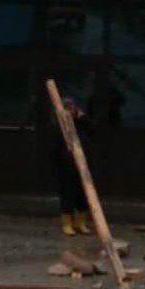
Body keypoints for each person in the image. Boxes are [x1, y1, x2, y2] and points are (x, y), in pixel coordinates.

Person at [56, 97, 92, 236]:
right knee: (68, 194)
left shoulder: (81, 123)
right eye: (68, 109)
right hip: (66, 164)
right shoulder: (60, 125)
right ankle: (67, 223)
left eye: (72, 109)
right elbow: (55, 147)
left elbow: (92, 128)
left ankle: (80, 222)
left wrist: (82, 117)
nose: (70, 112)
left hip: (82, 163)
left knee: (82, 194)